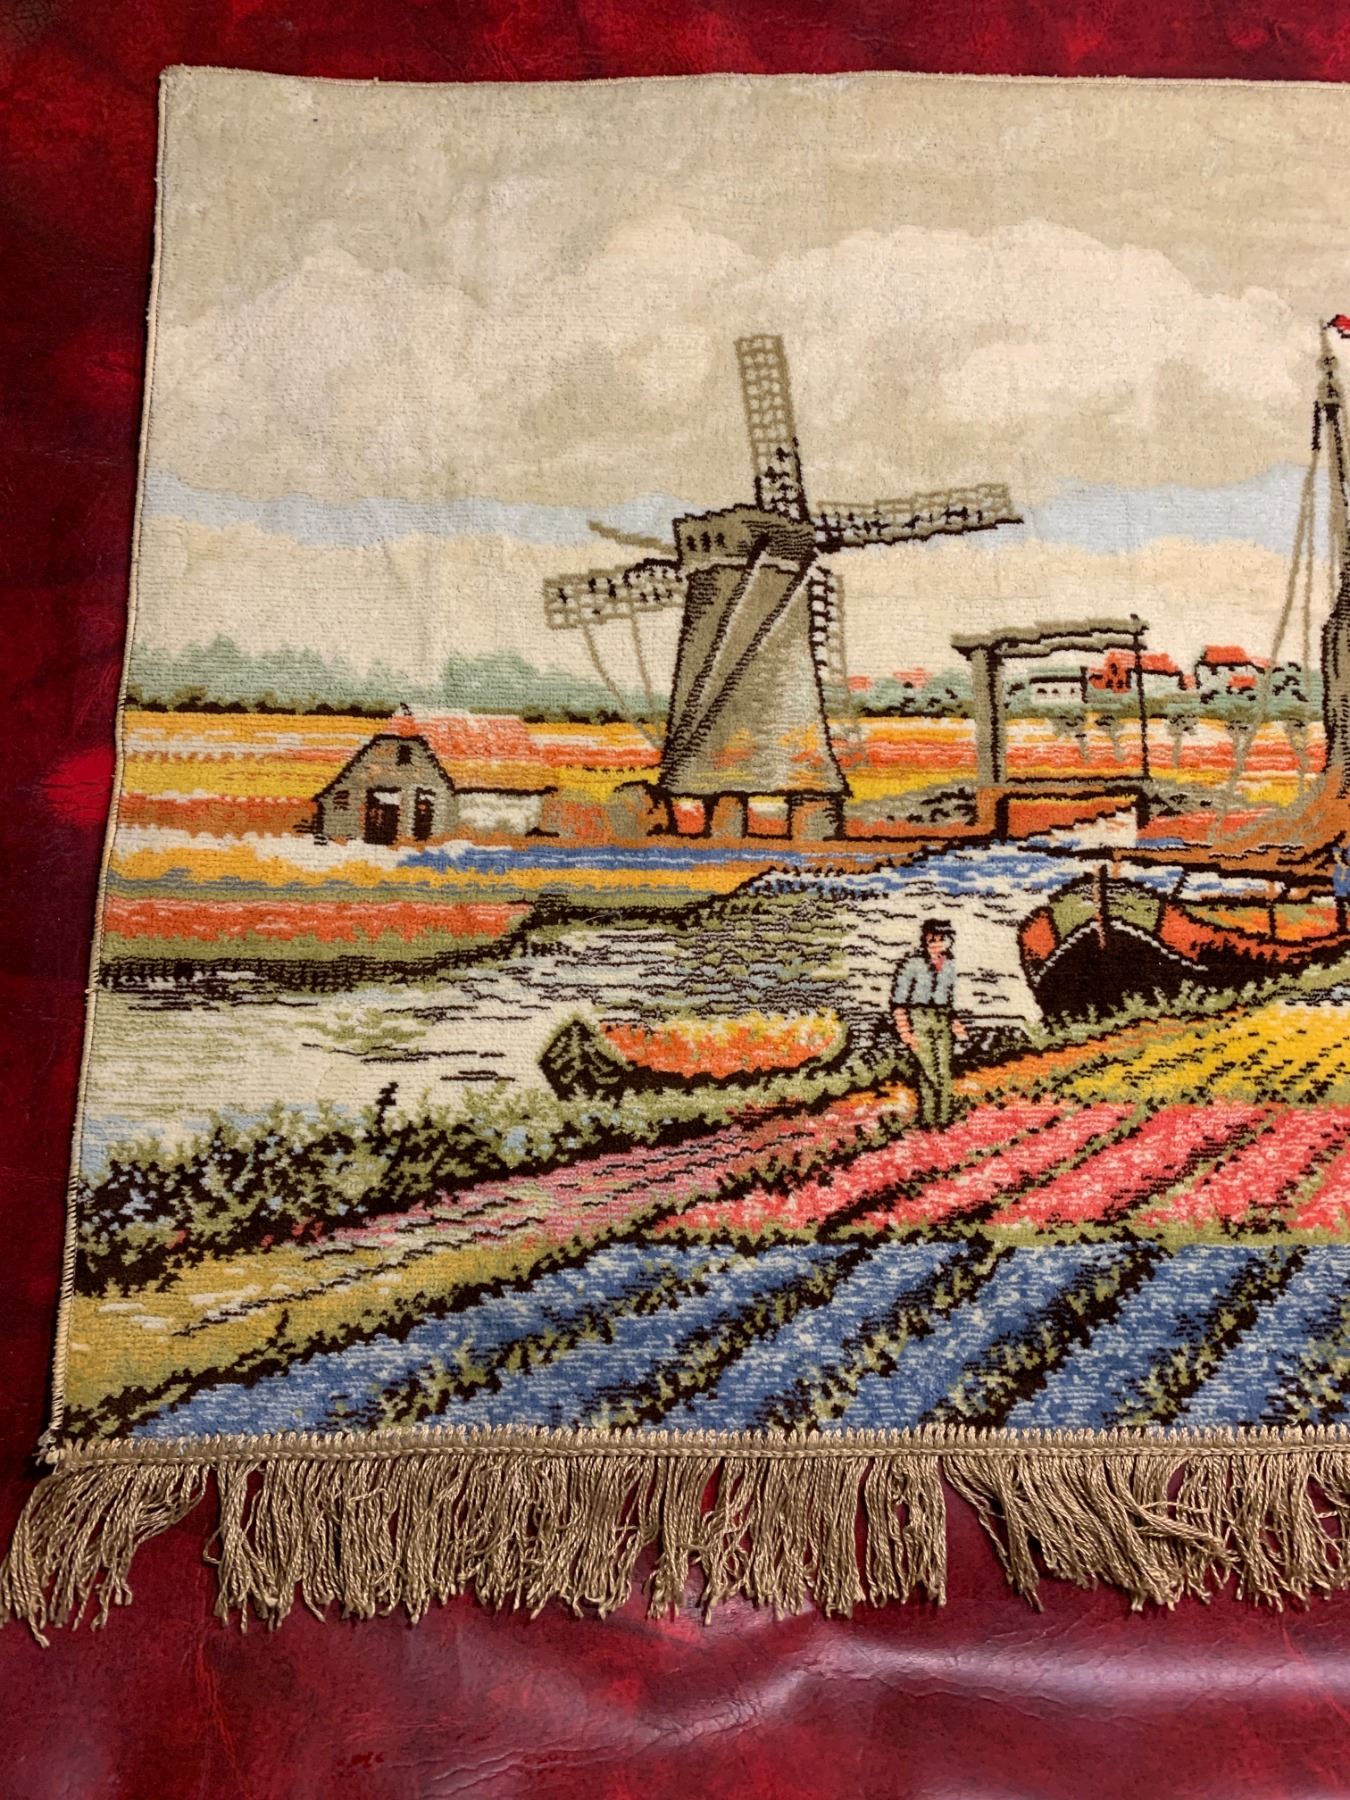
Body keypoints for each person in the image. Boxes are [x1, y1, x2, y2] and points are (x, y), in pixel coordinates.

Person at [891, 917, 966, 1128]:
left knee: (944, 1070)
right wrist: (905, 1031)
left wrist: (956, 1023)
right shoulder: (911, 964)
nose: (937, 944)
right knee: (928, 1069)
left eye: (942, 939)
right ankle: (930, 1119)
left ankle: (941, 1119)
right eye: (932, 939)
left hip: (943, 1019)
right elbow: (898, 1001)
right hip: (919, 1018)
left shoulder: (950, 964)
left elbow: (949, 999)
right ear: (925, 939)